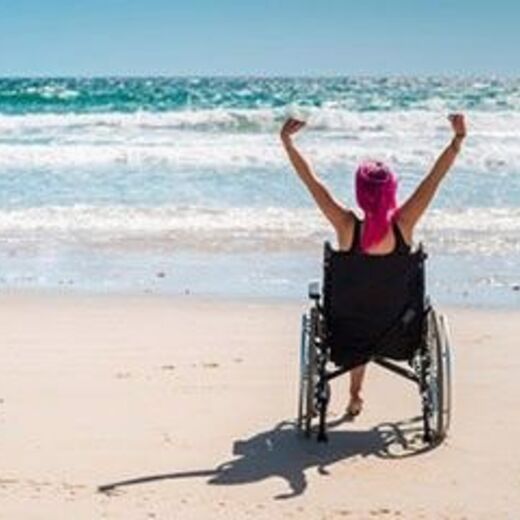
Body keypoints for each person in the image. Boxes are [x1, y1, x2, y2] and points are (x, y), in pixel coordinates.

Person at [280, 113, 467, 417]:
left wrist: (287, 144)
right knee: (374, 308)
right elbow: (433, 179)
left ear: (360, 193)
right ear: (392, 191)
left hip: (346, 334)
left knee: (359, 309)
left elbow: (311, 182)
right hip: (401, 335)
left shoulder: (345, 227)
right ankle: (356, 392)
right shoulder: (404, 225)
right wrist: (457, 141)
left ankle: (355, 394)